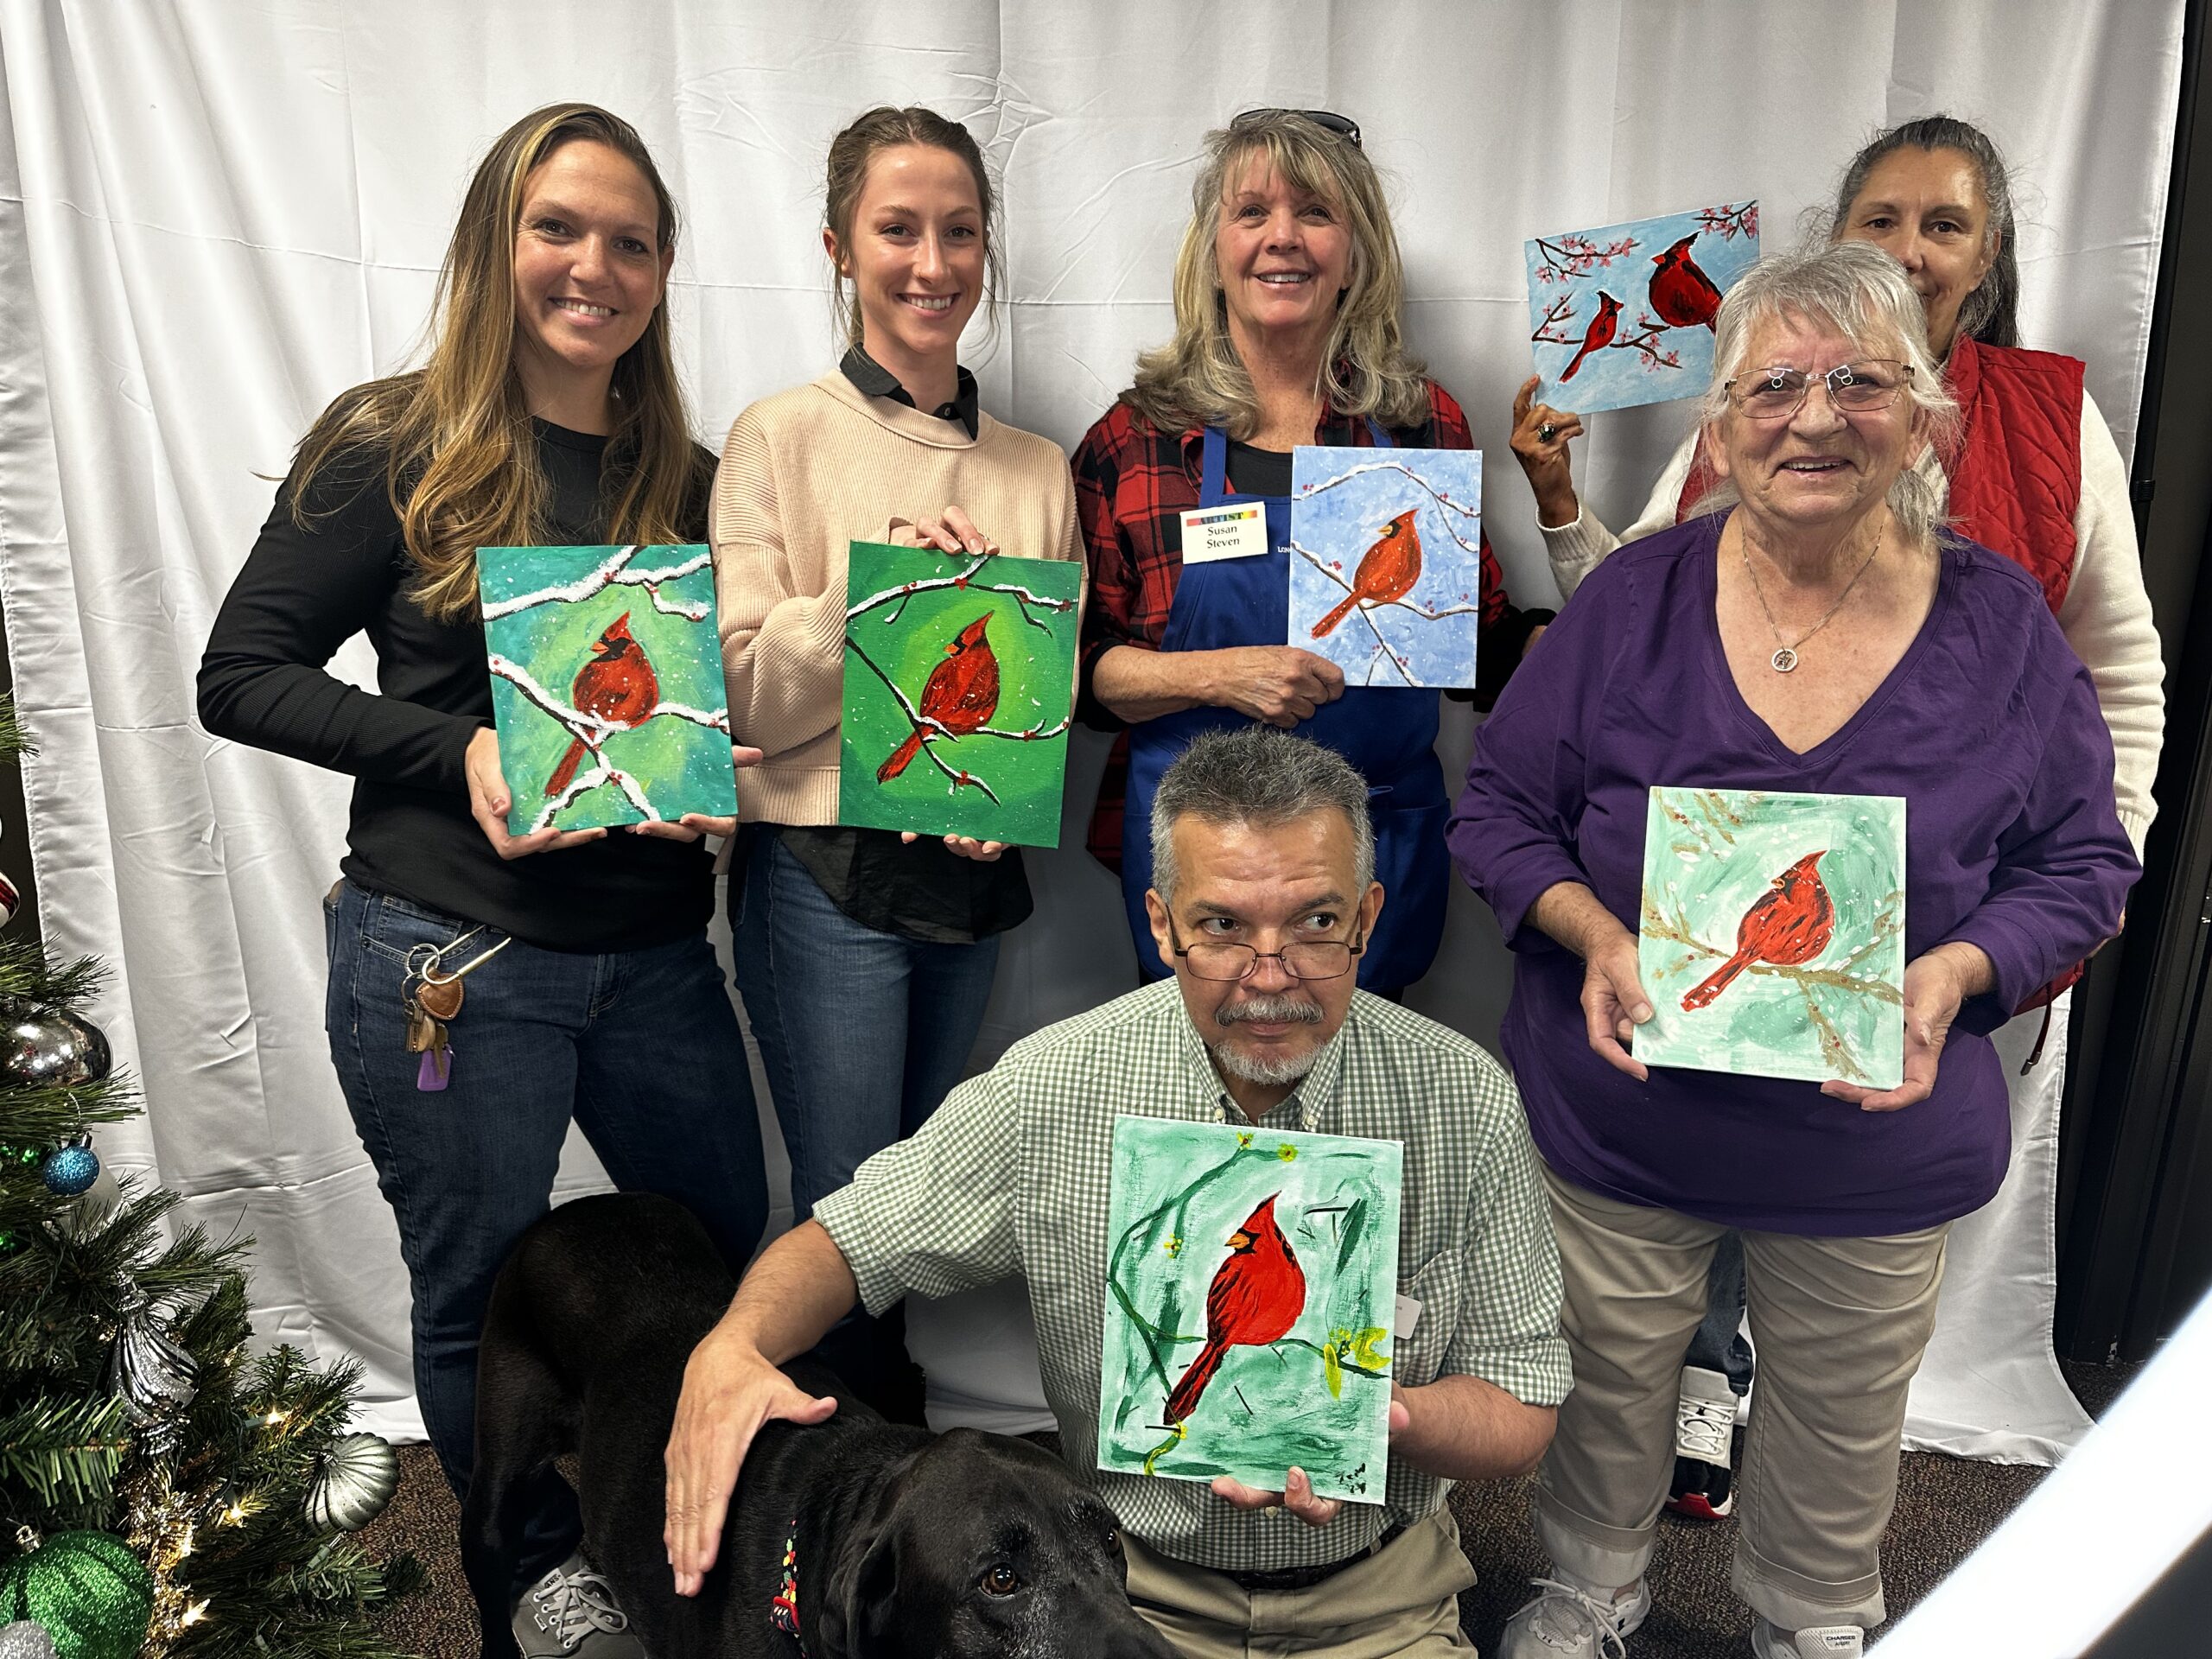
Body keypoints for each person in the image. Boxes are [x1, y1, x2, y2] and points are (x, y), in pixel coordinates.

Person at [1453, 242, 2139, 1659]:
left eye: (1858, 382)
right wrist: (1590, 931)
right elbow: (1503, 812)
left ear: (1923, 418)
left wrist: (1958, 973)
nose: (1814, 416)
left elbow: (2084, 864)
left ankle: (1812, 1617)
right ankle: (1588, 1586)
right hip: (1627, 1112)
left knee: (1842, 1413)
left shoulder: (2002, 625)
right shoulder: (1630, 602)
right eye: (1773, 386)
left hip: (1870, 1140)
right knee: (1606, 1376)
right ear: (1719, 425)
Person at [198, 104, 769, 1654]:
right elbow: (240, 675)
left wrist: (716, 785)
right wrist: (458, 751)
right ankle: (533, 1578)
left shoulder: (693, 480)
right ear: (492, 241)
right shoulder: (395, 446)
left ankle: (698, 1527)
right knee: (473, 1295)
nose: (595, 267)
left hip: (657, 959)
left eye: (632, 242)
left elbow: (721, 707)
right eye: (558, 228)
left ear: (665, 272)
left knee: (724, 1268)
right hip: (447, 963)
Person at [664, 727, 1570, 1657]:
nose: (1269, 976)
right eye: (1222, 926)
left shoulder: (1465, 1098)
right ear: (1163, 925)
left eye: (1314, 922)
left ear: (1367, 920)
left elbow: (1523, 1406)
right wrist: (732, 1348)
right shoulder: (1056, 1084)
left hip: (1378, 1597)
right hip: (1119, 1589)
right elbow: (845, 1245)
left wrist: (1381, 1414)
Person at [709, 105, 1080, 1412]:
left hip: (966, 879)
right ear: (838, 247)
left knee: (915, 1195)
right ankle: (853, 1454)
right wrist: (870, 599)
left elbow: (1041, 694)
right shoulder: (778, 435)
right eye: (898, 230)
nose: (933, 263)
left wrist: (1004, 806)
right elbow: (741, 693)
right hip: (825, 868)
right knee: (843, 1201)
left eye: (959, 232)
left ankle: (877, 1451)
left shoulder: (1037, 469)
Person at [1074, 109, 1554, 998]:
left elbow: (1472, 647)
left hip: (1368, 856)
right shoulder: (1138, 438)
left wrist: (1588, 615)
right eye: (1252, 212)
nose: (1283, 238)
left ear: (1357, 253)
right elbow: (1083, 672)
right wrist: (1217, 676)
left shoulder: (1420, 424)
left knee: (1360, 1081)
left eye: (1317, 212)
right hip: (1198, 868)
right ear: (1212, 250)